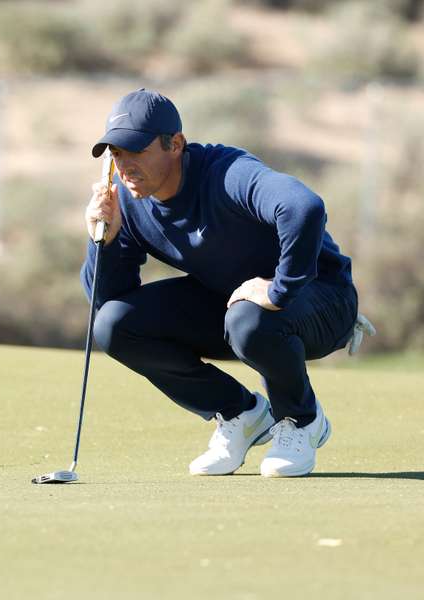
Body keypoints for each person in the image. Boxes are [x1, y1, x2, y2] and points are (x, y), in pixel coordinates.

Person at [82, 88, 360, 478]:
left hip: (323, 300)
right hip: (235, 306)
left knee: (249, 319)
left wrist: (280, 289)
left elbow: (303, 207)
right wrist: (105, 243)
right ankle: (240, 413)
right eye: (116, 154)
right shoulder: (126, 202)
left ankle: (301, 419)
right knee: (113, 325)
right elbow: (109, 302)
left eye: (136, 151)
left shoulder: (226, 173)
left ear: (175, 144)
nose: (124, 164)